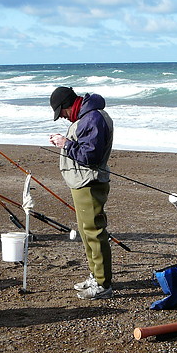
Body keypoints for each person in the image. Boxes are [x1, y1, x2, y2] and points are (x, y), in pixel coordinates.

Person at [48, 86, 114, 300]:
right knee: (86, 233)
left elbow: (91, 156)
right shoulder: (86, 117)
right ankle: (96, 276)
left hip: (90, 183)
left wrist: (65, 143)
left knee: (94, 232)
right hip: (82, 183)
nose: (64, 119)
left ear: (68, 106)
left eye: (62, 114)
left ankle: (103, 284)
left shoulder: (92, 118)